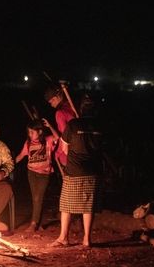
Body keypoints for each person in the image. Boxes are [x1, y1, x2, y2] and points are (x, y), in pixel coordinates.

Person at [50, 95, 104, 248]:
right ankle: (87, 239)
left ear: (80, 109)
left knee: (66, 205)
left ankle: (63, 238)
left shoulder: (73, 124)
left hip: (74, 170)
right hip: (94, 170)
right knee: (88, 205)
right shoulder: (100, 126)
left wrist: (76, 156)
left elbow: (64, 148)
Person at [14, 119, 59, 232]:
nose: (30, 135)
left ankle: (34, 224)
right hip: (32, 173)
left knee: (38, 197)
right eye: (29, 132)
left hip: (44, 174)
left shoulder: (47, 141)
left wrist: (50, 126)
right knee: (36, 198)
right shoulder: (28, 143)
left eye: (32, 132)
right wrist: (9, 164)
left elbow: (57, 138)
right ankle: (36, 223)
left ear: (39, 132)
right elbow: (20, 156)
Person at [44, 84, 77, 170]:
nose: (51, 105)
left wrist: (57, 153)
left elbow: (65, 136)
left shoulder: (60, 113)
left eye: (51, 102)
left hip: (69, 157)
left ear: (56, 98)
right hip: (80, 151)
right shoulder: (73, 107)